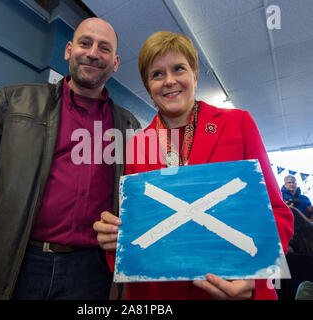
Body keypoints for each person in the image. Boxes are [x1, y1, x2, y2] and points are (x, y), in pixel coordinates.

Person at [0, 17, 140, 300]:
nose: (94, 53)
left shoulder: (130, 127)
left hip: (90, 273)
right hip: (15, 263)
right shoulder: (14, 101)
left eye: (104, 48)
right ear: (68, 50)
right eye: (85, 43)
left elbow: (138, 206)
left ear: (115, 63)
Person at [93, 31, 294, 300]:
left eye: (179, 68)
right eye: (157, 74)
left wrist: (257, 279)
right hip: (157, 294)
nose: (170, 81)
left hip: (228, 286)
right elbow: (134, 230)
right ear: (148, 85)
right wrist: (115, 240)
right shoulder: (137, 145)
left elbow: (278, 213)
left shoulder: (239, 124)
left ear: (195, 75)